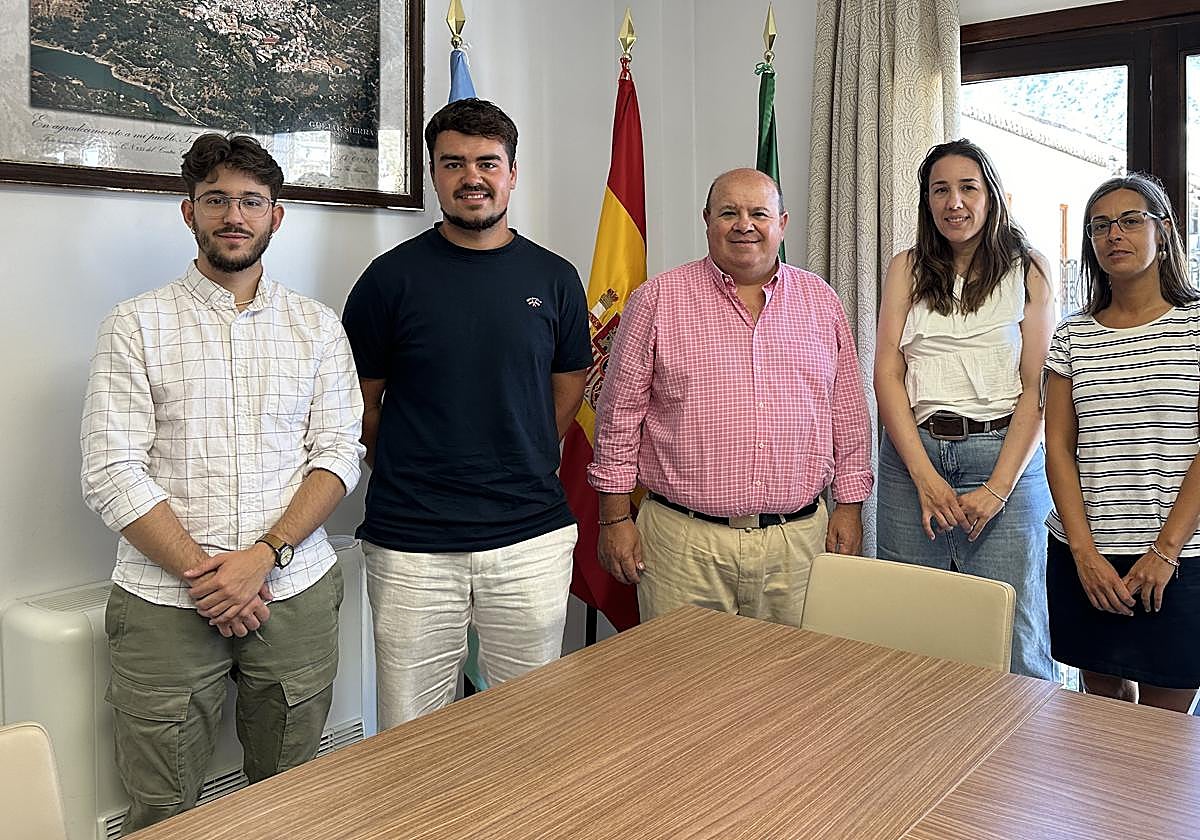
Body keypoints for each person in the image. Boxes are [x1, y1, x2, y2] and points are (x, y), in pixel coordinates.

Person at [80, 133, 365, 832]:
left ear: (276, 214)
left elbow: (338, 454)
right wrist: (210, 579)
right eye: (216, 200)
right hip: (163, 601)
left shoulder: (319, 328)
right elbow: (110, 469)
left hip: (292, 592)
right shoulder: (135, 325)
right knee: (162, 806)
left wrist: (260, 559)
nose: (233, 216)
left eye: (250, 201)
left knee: (293, 794)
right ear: (188, 212)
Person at [342, 98, 591, 728]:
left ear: (512, 173)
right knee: (410, 732)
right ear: (433, 175)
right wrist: (414, 457)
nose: (471, 177)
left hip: (530, 535)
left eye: (487, 162)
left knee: (531, 727)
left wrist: (527, 446)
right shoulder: (387, 280)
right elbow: (359, 403)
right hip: (413, 544)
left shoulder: (555, 277)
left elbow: (569, 386)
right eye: (453, 163)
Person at [587, 167, 873, 626]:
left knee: (797, 688)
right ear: (706, 220)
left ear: (782, 223)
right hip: (684, 544)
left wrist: (851, 507)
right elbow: (618, 417)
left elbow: (848, 415)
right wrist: (614, 519)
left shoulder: (821, 300)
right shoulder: (657, 299)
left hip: (798, 544)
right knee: (683, 688)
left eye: (759, 212)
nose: (745, 224)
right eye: (729, 213)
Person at [874, 139, 1057, 681]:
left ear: (991, 195)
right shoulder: (906, 267)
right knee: (912, 631)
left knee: (1016, 637)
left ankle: (1017, 762)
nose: (954, 202)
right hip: (914, 460)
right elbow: (887, 373)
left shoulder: (1030, 269)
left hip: (1006, 461)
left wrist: (998, 488)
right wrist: (923, 476)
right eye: (940, 190)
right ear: (927, 202)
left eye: (967, 187)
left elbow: (1037, 389)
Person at [1044, 173, 1200, 713]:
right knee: (1100, 713)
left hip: (1180, 557)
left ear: (1163, 231)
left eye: (1131, 221)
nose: (1115, 234)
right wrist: (1084, 555)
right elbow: (1058, 448)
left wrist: (1164, 552)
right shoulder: (1071, 334)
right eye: (1100, 226)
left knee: (1168, 724)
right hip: (1086, 553)